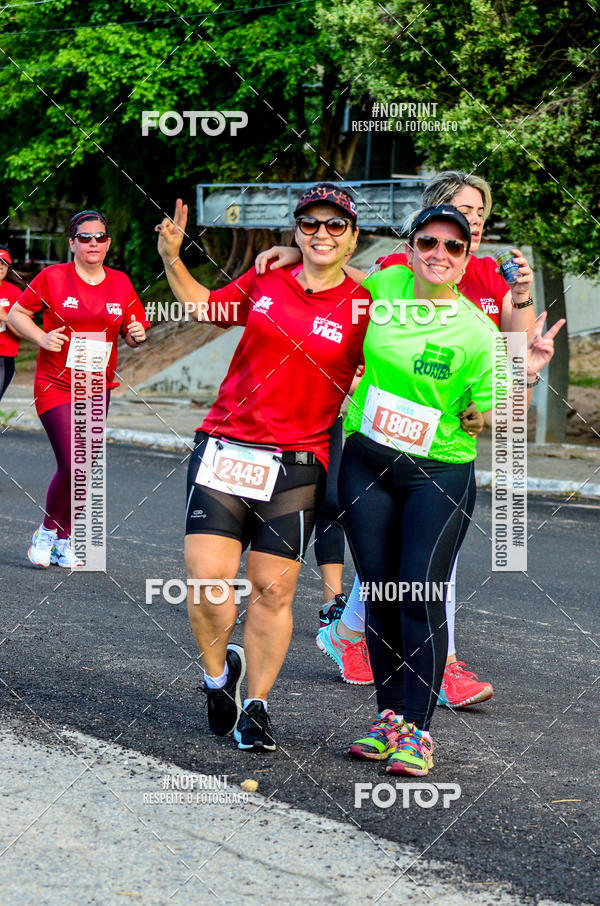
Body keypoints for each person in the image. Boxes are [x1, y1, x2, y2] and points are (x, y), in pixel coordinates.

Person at [256, 170, 536, 703]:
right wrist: (301, 254)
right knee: (387, 583)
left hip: (441, 460)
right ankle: (372, 675)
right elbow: (345, 277)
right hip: (372, 452)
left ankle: (427, 694)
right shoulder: (392, 275)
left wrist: (516, 347)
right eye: (438, 231)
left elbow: (510, 367)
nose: (456, 237)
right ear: (415, 240)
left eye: (475, 217)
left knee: (425, 584)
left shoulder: (491, 282)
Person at [338, 204, 563, 775]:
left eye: (453, 247)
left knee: (419, 593)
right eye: (428, 242)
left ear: (467, 260)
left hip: (437, 473)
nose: (439, 254)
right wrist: (292, 249)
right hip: (366, 463)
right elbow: (329, 268)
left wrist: (529, 371)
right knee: (382, 594)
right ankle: (389, 718)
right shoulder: (385, 284)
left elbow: (501, 414)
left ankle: (418, 730)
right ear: (410, 247)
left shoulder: (475, 329)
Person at [155, 183, 372, 751]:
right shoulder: (267, 279)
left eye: (334, 226)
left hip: (297, 464)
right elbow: (206, 307)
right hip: (226, 446)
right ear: (296, 230)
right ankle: (216, 678)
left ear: (353, 236)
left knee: (272, 592)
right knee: (206, 581)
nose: (321, 234)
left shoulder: (367, 304)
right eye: (310, 225)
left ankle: (257, 705)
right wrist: (173, 257)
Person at [8, 210, 148, 568]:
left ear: (108, 243)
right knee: (73, 461)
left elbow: (133, 330)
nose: (93, 243)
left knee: (84, 467)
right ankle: (46, 532)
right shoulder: (52, 277)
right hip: (55, 384)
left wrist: (135, 336)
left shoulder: (120, 282)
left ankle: (65, 538)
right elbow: (16, 316)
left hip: (97, 388)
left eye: (100, 237)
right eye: (85, 237)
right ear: (72, 243)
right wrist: (41, 336)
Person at [0, 245, 23, 403]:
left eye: (3, 263)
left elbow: (22, 332)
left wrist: (5, 317)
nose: (0, 267)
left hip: (4, 357)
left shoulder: (15, 293)